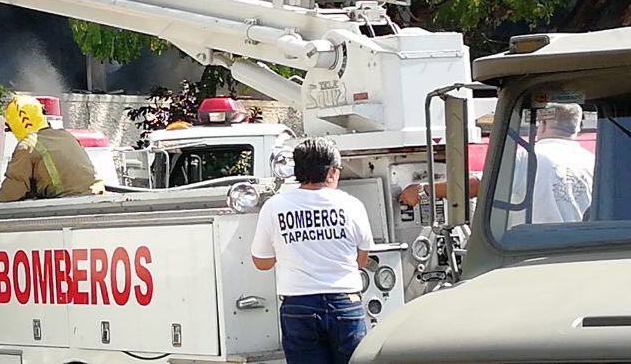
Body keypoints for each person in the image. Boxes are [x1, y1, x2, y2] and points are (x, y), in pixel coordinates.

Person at [251, 138, 374, 364]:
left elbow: (261, 261)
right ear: (329, 172)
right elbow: (362, 258)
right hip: (345, 302)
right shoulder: (351, 205)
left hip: (298, 305)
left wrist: (287, 250)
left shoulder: (274, 206)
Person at [398, 102, 594, 223]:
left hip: (536, 256)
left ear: (542, 123)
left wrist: (424, 190)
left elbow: (479, 186)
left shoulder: (528, 158)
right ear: (577, 127)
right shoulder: (592, 162)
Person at [0, 95, 106, 202]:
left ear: (14, 124)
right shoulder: (66, 135)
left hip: (66, 206)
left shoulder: (27, 146)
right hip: (99, 197)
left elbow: (12, 190)